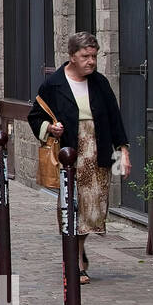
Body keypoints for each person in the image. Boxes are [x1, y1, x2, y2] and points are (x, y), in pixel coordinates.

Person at [27, 31, 131, 284]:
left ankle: (78, 247)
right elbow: (35, 116)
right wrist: (50, 129)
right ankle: (74, 260)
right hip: (70, 154)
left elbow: (115, 119)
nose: (91, 61)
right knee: (71, 206)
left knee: (94, 210)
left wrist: (123, 153)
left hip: (98, 152)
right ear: (72, 56)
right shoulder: (53, 85)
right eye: (85, 56)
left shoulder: (100, 83)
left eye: (94, 56)